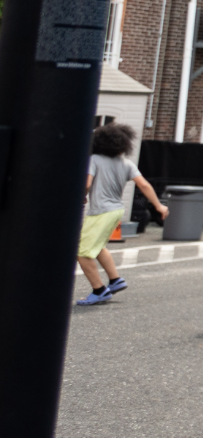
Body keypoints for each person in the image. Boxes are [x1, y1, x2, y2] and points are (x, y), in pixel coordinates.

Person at [75, 122, 167, 306]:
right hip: (117, 210)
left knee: (82, 251)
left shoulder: (94, 160)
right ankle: (115, 280)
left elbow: (86, 184)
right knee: (98, 246)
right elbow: (144, 185)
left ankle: (99, 290)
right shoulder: (127, 163)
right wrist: (159, 206)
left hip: (101, 211)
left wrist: (81, 197)